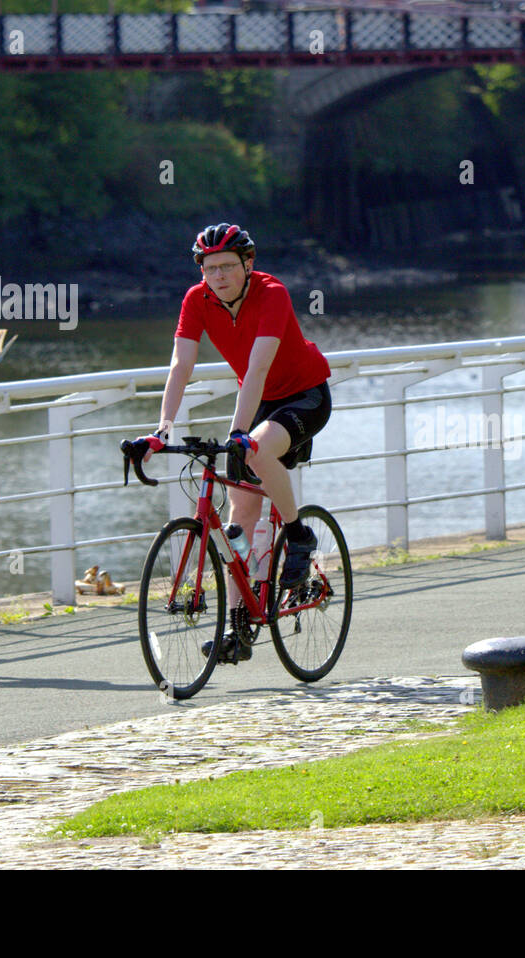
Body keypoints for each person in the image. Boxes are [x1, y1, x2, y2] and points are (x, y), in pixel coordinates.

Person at [137, 224, 332, 654]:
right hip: (259, 401)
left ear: (248, 265)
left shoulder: (272, 293)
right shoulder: (196, 300)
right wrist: (160, 430)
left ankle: (298, 534)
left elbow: (259, 369)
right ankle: (239, 628)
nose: (219, 276)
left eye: (228, 266)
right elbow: (180, 366)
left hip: (304, 396)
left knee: (257, 450)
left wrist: (239, 433)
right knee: (238, 522)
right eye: (210, 268)